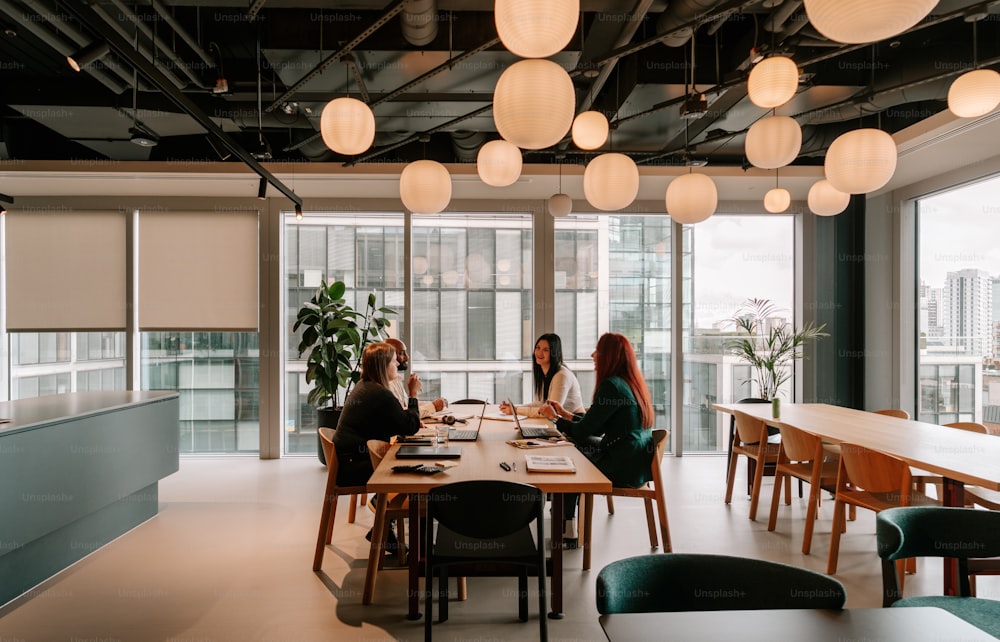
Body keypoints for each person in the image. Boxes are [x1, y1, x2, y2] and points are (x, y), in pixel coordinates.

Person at [539, 332, 654, 548]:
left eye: (598, 351)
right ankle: (562, 513)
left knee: (569, 461)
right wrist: (565, 414)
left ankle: (567, 529)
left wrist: (554, 418)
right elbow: (596, 425)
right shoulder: (628, 383)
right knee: (571, 448)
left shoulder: (611, 386)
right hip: (633, 461)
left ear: (609, 356)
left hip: (622, 466)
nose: (593, 355)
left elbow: (583, 432)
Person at [500, 333, 584, 418]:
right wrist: (514, 408)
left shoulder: (561, 376)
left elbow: (550, 411)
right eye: (538, 348)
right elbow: (539, 403)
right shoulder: (544, 372)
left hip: (573, 423)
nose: (539, 352)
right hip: (559, 421)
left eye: (546, 350)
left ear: (554, 353)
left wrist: (516, 410)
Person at [384, 338, 447, 418]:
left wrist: (434, 404)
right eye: (401, 353)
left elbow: (406, 404)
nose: (407, 357)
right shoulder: (385, 385)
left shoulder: (396, 379)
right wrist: (432, 406)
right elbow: (404, 416)